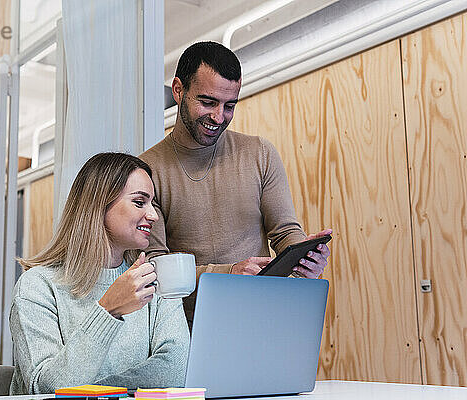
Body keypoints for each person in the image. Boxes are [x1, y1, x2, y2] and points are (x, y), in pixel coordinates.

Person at [139, 41, 332, 325]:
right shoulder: (146, 170)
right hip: (187, 328)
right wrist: (227, 274)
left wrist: (302, 256)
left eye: (229, 106)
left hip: (261, 316)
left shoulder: (260, 153)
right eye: (207, 102)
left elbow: (285, 231)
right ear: (179, 90)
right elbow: (154, 267)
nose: (219, 117)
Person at [9, 153, 189, 394]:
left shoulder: (157, 280)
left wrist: (99, 391)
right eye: (139, 202)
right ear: (99, 205)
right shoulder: (37, 286)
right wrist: (108, 310)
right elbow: (49, 388)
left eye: (152, 203)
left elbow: (176, 370)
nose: (154, 215)